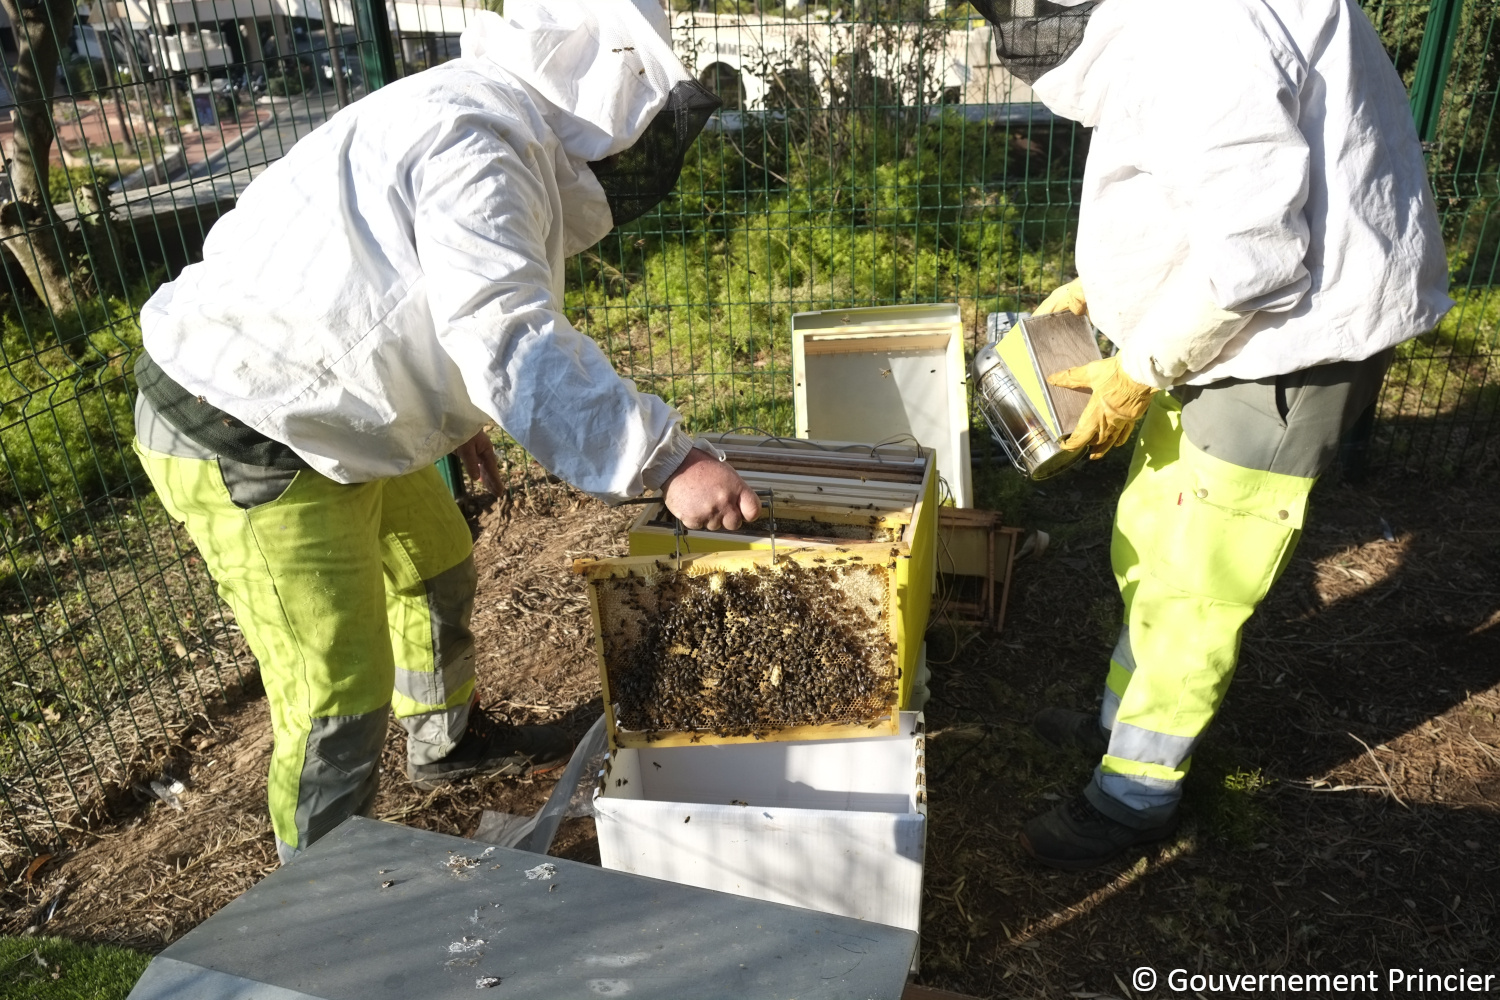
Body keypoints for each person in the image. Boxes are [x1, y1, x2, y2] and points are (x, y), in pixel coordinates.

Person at [131, 0, 760, 864]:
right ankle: (318, 898)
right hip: (249, 421)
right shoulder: (478, 145)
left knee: (435, 562)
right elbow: (508, 336)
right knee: (336, 692)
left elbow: (401, 286)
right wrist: (669, 462)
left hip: (325, 392)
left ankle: (444, 744)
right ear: (604, 85)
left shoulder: (484, 114)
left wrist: (453, 414)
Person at [973, 0, 1452, 868]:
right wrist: (1104, 290)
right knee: (1151, 534)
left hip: (1287, 344)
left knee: (1197, 586)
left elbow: (1256, 255)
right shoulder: (1178, 26)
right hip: (1217, 335)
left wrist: (1137, 367)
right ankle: (1121, 723)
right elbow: (1196, 181)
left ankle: (1134, 796)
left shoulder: (1202, 30)